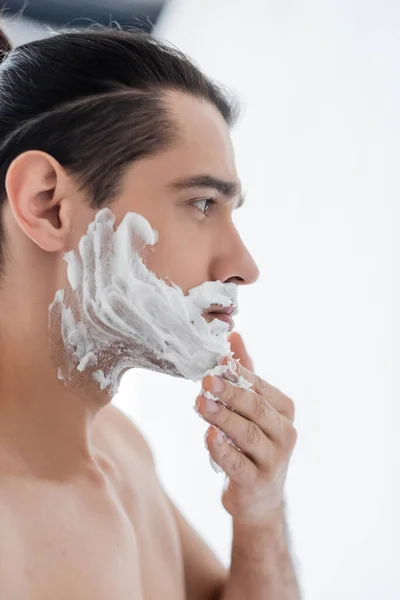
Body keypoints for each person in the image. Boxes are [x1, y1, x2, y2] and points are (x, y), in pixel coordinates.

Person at [0, 26, 300, 599]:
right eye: (202, 203)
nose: (245, 265)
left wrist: (259, 514)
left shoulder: (119, 447)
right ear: (48, 205)